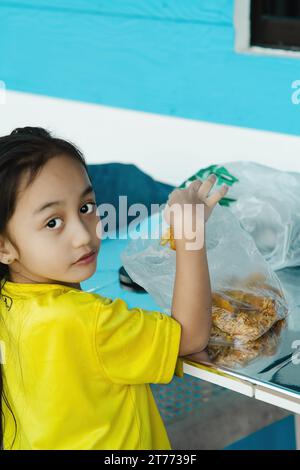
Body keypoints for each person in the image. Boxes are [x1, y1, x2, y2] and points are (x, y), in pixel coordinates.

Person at [0, 126, 229, 450]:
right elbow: (190, 335)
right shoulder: (86, 320)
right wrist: (190, 234)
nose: (83, 235)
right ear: (3, 246)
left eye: (86, 207)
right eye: (53, 222)